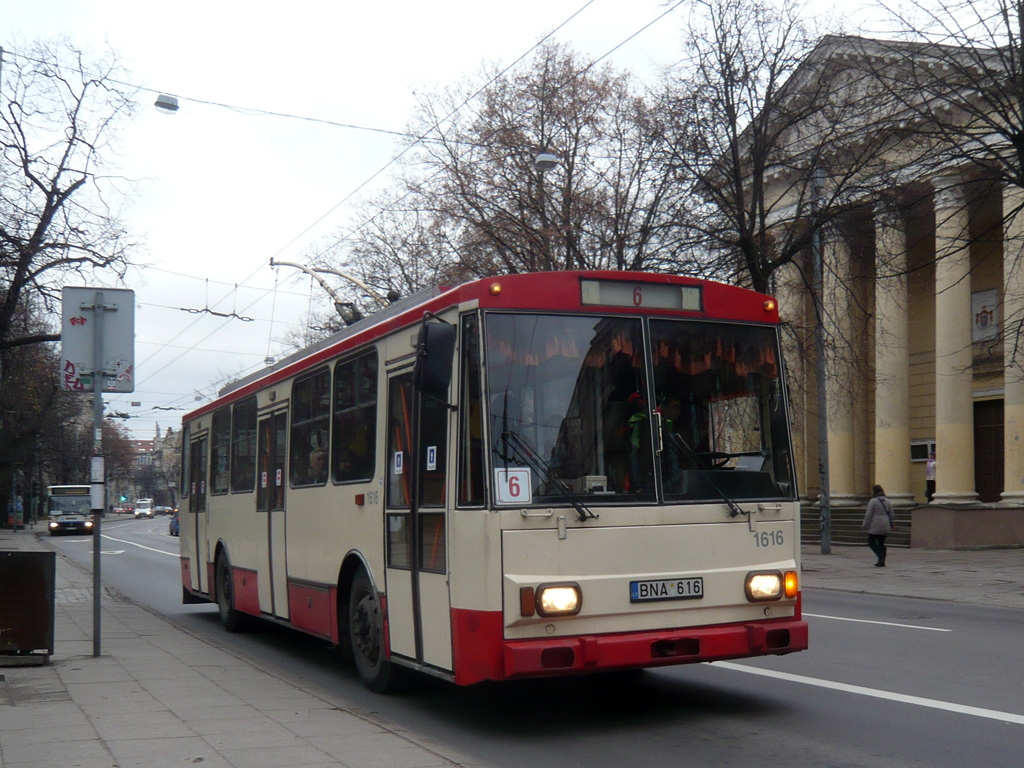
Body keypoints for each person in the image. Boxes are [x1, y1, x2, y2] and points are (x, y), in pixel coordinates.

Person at [862, 484, 895, 567]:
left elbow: (869, 514)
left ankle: (880, 557)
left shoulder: (873, 501)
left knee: (871, 541)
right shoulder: (887, 501)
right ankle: (882, 560)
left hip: (876, 523)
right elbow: (891, 514)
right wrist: (892, 523)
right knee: (881, 542)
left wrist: (865, 524)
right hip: (886, 523)